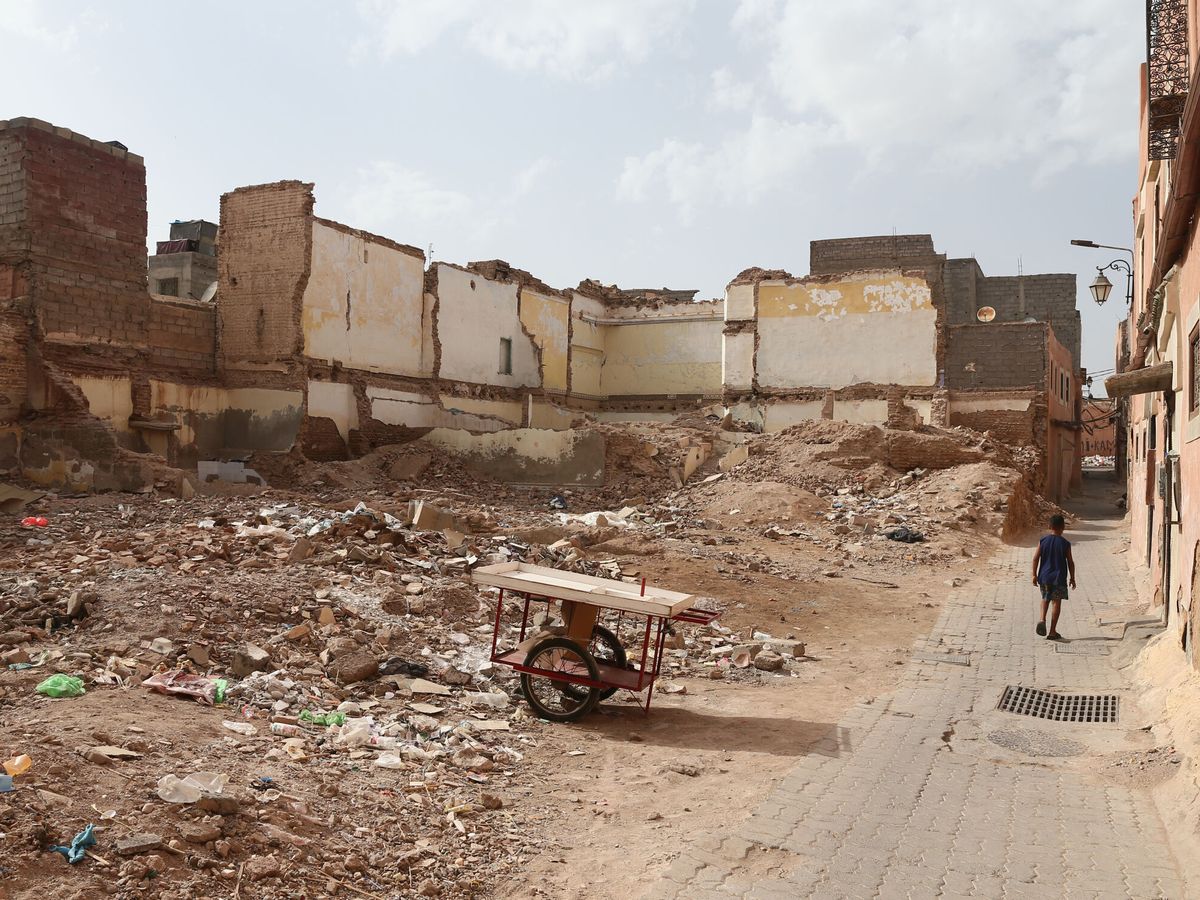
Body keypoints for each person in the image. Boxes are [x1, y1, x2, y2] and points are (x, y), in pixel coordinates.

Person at [1031, 514, 1076, 640]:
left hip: (1044, 577)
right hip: (1059, 578)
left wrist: (1034, 575)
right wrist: (1072, 578)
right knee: (1056, 602)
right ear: (1063, 527)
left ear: (1049, 526)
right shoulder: (1065, 543)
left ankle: (1042, 619)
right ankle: (1052, 632)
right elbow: (1070, 562)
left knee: (1045, 598)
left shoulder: (1043, 541)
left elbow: (1035, 558)